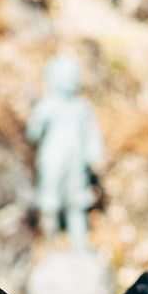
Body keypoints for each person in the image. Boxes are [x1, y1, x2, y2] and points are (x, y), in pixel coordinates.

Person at [26, 54, 105, 251]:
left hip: (77, 161)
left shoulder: (82, 106)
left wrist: (95, 152)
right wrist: (39, 120)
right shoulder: (47, 104)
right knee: (49, 201)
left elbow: (92, 133)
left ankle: (79, 242)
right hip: (52, 159)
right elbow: (33, 134)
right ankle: (49, 242)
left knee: (78, 201)